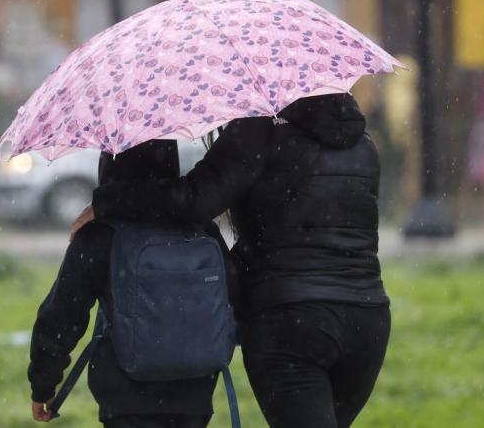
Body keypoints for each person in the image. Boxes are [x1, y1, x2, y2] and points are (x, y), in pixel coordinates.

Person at [72, 93, 391, 428]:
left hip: (289, 322)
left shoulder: (258, 131)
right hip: (367, 321)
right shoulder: (363, 145)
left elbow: (192, 201)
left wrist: (108, 201)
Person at [28, 140, 229, 428]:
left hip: (124, 397)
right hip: (194, 392)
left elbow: (61, 315)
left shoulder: (99, 236)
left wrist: (43, 384)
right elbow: (231, 297)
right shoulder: (202, 231)